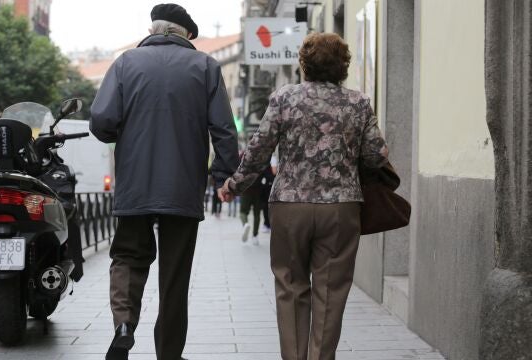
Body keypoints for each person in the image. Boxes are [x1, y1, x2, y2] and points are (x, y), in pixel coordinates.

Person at [219, 33, 389, 360]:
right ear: (343, 65)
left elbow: (258, 150)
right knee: (331, 291)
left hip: (289, 206)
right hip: (341, 208)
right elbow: (376, 156)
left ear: (304, 64)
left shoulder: (285, 99)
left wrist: (234, 185)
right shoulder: (358, 102)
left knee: (291, 287)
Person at [89, 4, 239, 360]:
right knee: (175, 273)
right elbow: (224, 131)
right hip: (183, 188)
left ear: (154, 30)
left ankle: (124, 324)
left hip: (135, 185)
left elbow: (101, 120)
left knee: (127, 255)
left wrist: (120, 133)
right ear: (185, 34)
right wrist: (223, 175)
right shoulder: (206, 67)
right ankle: (169, 353)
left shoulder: (125, 64)